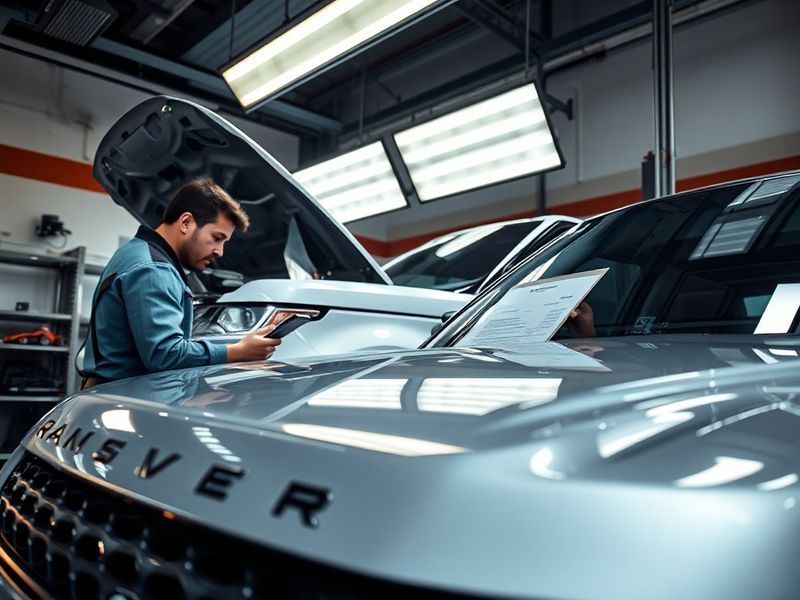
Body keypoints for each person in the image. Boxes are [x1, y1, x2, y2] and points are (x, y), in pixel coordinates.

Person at [81, 177, 280, 389]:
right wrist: (236, 352)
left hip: (114, 391)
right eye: (216, 237)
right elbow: (164, 354)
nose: (219, 252)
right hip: (119, 396)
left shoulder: (138, 253)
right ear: (186, 223)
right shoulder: (154, 269)